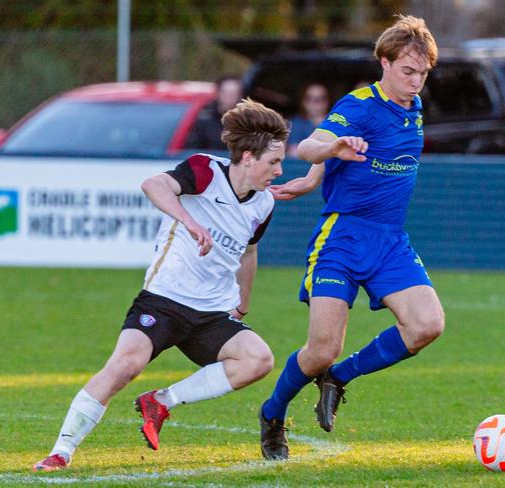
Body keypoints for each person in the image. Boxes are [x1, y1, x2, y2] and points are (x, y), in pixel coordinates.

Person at [33, 99, 290, 472]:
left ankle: (162, 401)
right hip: (164, 301)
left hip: (212, 312)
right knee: (124, 365)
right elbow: (153, 184)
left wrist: (243, 303)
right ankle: (61, 451)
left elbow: (249, 253)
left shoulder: (263, 204)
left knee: (258, 359)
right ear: (248, 157)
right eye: (273, 162)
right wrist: (189, 222)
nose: (279, 170)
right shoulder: (205, 170)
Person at [259, 15, 444, 460]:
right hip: (342, 237)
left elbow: (335, 158)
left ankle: (339, 378)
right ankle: (273, 413)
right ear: (384, 61)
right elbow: (311, 145)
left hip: (390, 240)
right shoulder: (360, 104)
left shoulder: (412, 107)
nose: (416, 81)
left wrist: (313, 179)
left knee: (427, 325)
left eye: (422, 73)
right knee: (321, 348)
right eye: (407, 71)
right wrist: (328, 153)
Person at [186, 76, 243, 150]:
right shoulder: (204, 120)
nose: (229, 97)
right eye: (226, 92)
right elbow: (193, 149)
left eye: (233, 93)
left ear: (240, 95)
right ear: (218, 93)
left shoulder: (246, 122)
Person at [287, 83, 330, 158]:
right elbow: (293, 153)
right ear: (303, 101)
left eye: (320, 99)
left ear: (327, 101)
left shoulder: (337, 123)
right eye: (309, 98)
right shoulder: (295, 124)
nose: (314, 103)